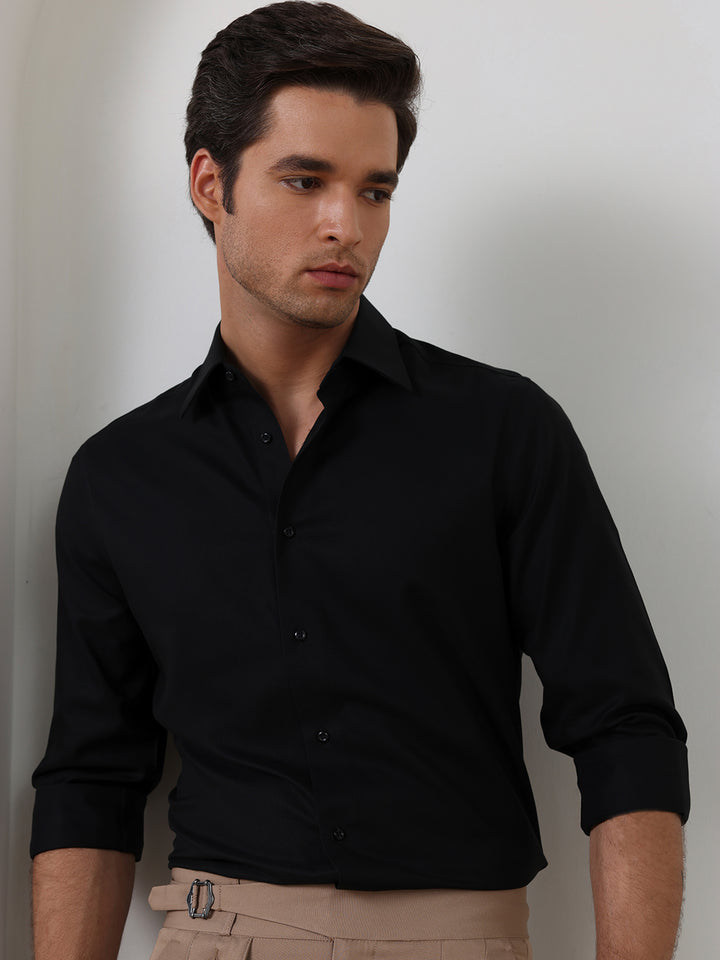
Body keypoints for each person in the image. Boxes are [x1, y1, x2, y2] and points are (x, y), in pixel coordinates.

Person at [30, 3, 689, 959]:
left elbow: (625, 723)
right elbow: (92, 777)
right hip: (218, 933)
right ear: (211, 184)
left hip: (457, 939)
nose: (346, 224)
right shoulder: (120, 477)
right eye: (305, 180)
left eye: (374, 190)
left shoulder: (503, 430)